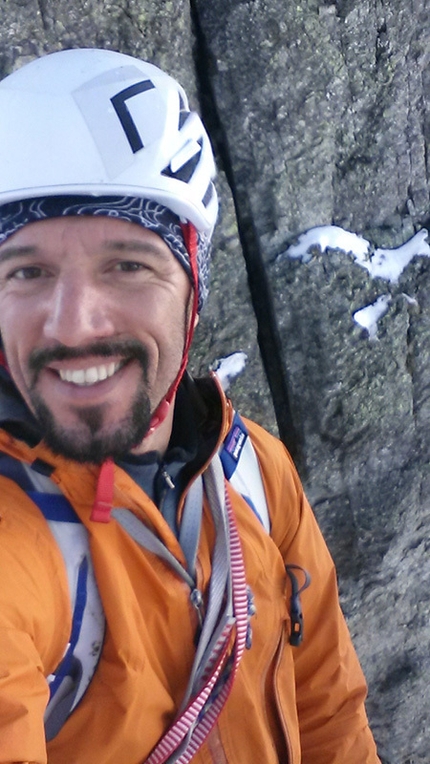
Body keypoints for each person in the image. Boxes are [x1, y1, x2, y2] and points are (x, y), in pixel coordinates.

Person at [0, 48, 380, 764]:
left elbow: (329, 714)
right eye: (28, 271)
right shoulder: (14, 545)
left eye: (127, 265)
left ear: (193, 293)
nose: (74, 324)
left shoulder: (253, 474)